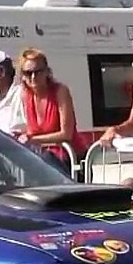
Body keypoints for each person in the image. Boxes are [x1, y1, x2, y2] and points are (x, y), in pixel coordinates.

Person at [16, 48, 78, 176]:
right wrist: (24, 136)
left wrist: (32, 140)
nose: (33, 77)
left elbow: (66, 134)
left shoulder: (60, 91)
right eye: (28, 73)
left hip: (68, 160)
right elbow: (32, 131)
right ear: (22, 75)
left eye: (38, 72)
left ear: (47, 72)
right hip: (42, 160)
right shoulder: (24, 95)